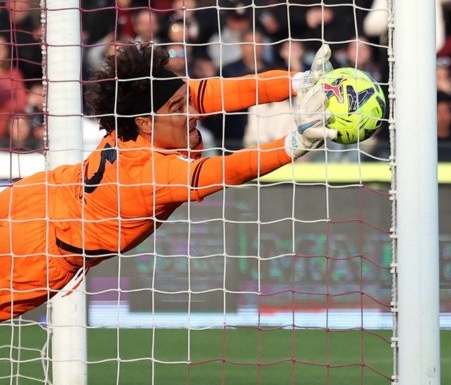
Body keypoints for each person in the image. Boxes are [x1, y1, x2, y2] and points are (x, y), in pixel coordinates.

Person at [0, 41, 337, 321]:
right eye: (180, 109)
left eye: (186, 102)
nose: (192, 112)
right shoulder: (150, 174)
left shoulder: (138, 117)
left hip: (35, 195)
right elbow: (226, 170)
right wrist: (294, 144)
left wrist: (296, 82)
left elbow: (218, 92)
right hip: (36, 251)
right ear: (146, 123)